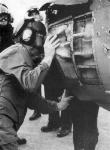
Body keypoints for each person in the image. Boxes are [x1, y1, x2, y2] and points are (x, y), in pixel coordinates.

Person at [0, 18, 72, 150]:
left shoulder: (26, 60)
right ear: (27, 36)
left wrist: (57, 106)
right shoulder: (16, 50)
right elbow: (30, 84)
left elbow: (30, 98)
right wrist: (48, 57)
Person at [0, 3, 27, 145]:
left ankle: (12, 134)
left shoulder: (12, 32)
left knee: (13, 108)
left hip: (11, 73)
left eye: (5, 16)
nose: (3, 19)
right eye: (0, 17)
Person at [24, 6, 43, 121]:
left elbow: (39, 44)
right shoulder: (30, 25)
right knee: (35, 86)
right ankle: (38, 110)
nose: (34, 15)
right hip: (34, 58)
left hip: (39, 58)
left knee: (39, 85)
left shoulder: (39, 25)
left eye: (35, 13)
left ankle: (40, 110)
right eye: (32, 13)